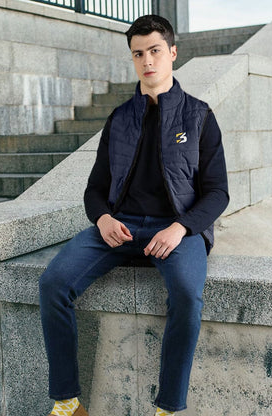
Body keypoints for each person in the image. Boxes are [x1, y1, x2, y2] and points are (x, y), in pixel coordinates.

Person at [39, 14, 229, 416]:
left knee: (186, 295)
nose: (147, 61)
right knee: (53, 282)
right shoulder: (120, 118)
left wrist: (181, 228)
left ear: (172, 53)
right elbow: (94, 188)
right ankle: (68, 401)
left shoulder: (199, 116)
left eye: (155, 51)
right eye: (138, 54)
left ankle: (167, 407)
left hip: (175, 230)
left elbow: (218, 193)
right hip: (120, 227)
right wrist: (103, 219)